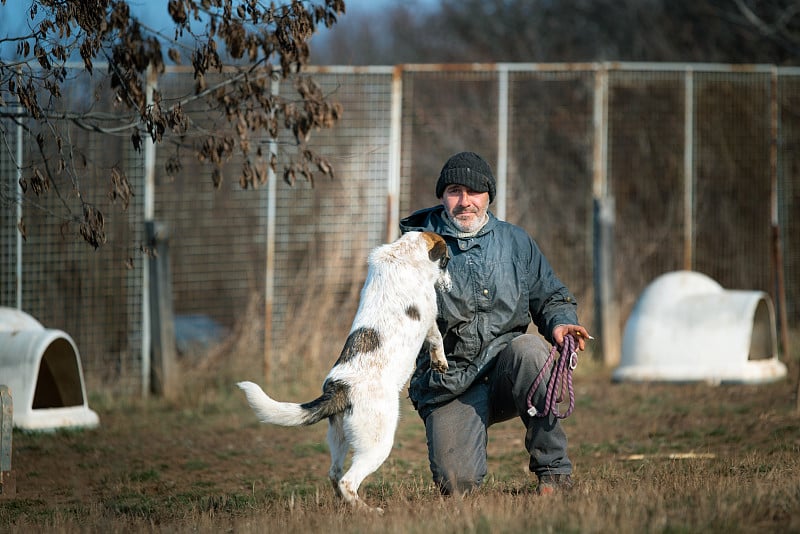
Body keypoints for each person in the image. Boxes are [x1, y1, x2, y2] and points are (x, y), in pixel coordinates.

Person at [399, 151, 591, 496]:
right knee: (458, 484)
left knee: (531, 348)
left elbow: (550, 296)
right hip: (450, 382)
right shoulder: (415, 248)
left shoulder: (515, 242)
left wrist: (561, 323)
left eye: (474, 191)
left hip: (508, 371)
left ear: (488, 195)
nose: (465, 202)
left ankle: (554, 475)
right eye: (455, 191)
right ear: (442, 196)